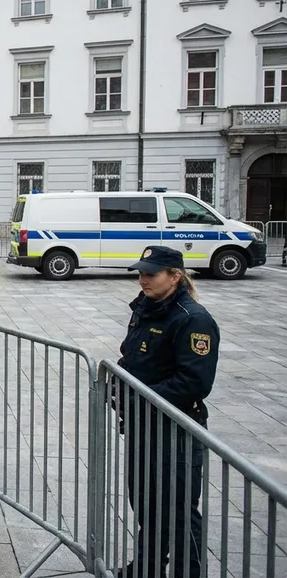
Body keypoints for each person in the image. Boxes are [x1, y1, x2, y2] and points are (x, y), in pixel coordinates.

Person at [113, 246, 218, 578]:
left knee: (180, 513)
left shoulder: (193, 320)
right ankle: (147, 567)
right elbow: (131, 357)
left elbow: (193, 382)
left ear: (176, 277)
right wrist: (119, 381)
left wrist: (139, 396)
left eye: (151, 274)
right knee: (146, 503)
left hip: (175, 429)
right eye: (141, 273)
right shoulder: (146, 308)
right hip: (143, 425)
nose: (143, 279)